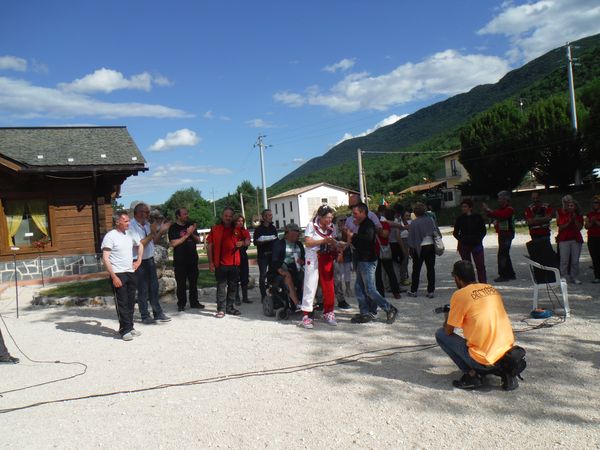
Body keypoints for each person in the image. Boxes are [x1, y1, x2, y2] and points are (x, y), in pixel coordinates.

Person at [435, 260, 516, 390]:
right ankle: (505, 371)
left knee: (440, 334)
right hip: (506, 351)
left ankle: (472, 374)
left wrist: (448, 315)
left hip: (484, 358)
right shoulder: (490, 288)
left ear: (457, 278)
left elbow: (448, 331)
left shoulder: (459, 295)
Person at [347, 203, 398, 325]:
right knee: (359, 288)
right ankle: (366, 313)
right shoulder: (362, 224)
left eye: (355, 213)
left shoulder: (369, 224)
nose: (354, 216)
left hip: (368, 261)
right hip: (362, 260)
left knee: (370, 289)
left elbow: (368, 239)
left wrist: (353, 235)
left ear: (363, 212)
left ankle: (389, 308)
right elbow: (359, 243)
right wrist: (350, 239)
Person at [101, 211, 143, 341]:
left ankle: (129, 327)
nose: (128, 223)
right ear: (117, 222)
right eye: (126, 221)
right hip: (118, 273)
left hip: (130, 272)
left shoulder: (130, 234)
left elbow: (140, 244)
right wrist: (114, 277)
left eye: (128, 221)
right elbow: (105, 258)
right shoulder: (110, 236)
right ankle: (125, 330)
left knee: (130, 302)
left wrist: (139, 261)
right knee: (122, 302)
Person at [299, 205, 341, 329]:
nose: (330, 219)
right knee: (310, 285)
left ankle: (328, 312)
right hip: (313, 257)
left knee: (329, 286)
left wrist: (337, 244)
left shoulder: (332, 227)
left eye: (331, 217)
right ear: (320, 217)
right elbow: (308, 242)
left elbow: (332, 242)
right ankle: (306, 315)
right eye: (327, 217)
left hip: (326, 256)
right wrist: (323, 241)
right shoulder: (311, 225)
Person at [130, 202, 171, 324]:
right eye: (147, 212)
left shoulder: (147, 225)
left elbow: (154, 241)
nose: (149, 215)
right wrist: (153, 233)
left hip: (149, 259)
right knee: (142, 289)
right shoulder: (131, 226)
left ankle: (157, 313)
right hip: (138, 261)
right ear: (139, 213)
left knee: (154, 287)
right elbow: (140, 244)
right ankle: (145, 315)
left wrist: (161, 231)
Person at [207, 207, 244, 317]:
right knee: (221, 287)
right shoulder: (215, 229)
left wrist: (243, 243)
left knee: (233, 287)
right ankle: (221, 309)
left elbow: (246, 240)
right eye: (226, 216)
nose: (228, 218)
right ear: (222, 216)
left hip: (234, 263)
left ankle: (230, 307)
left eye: (230, 216)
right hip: (221, 264)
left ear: (233, 217)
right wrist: (210, 262)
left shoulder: (238, 229)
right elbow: (209, 246)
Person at [168, 208, 203, 312]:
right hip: (180, 261)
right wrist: (187, 234)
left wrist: (191, 233)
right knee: (181, 284)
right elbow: (174, 243)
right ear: (178, 216)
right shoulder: (173, 228)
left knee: (193, 283)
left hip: (192, 260)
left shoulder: (190, 225)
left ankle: (194, 302)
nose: (187, 215)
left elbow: (198, 240)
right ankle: (181, 304)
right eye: (184, 214)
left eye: (187, 213)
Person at [407, 202, 439, 298]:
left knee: (416, 269)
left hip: (419, 247)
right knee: (430, 269)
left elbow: (411, 238)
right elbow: (436, 231)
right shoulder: (430, 220)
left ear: (415, 212)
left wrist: (410, 248)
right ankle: (431, 291)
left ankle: (414, 290)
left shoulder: (414, 223)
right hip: (430, 245)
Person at [483, 190, 516, 282]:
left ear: (505, 199)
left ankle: (503, 275)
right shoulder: (502, 209)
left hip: (507, 234)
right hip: (502, 234)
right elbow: (494, 214)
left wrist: (488, 210)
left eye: (500, 199)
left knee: (502, 255)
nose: (499, 201)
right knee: (505, 254)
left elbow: (500, 215)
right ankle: (510, 274)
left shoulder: (509, 209)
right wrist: (488, 212)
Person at [270, 222, 305, 308]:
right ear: (289, 232)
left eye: (298, 232)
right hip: (283, 268)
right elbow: (274, 260)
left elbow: (304, 257)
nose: (298, 234)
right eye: (296, 231)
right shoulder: (279, 244)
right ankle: (296, 303)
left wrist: (302, 261)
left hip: (297, 268)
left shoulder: (299, 244)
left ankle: (305, 300)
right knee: (287, 275)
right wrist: (280, 270)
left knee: (306, 275)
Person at [452, 198, 487, 283]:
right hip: (464, 245)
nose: (463, 208)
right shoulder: (460, 218)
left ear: (470, 207)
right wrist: (461, 240)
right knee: (467, 267)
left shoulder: (477, 217)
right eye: (462, 207)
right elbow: (455, 233)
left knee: (480, 265)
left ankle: (483, 282)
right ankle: (470, 283)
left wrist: (479, 239)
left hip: (476, 244)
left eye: (465, 206)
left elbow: (483, 230)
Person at [556, 195, 583, 284]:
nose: (570, 206)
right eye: (568, 204)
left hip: (576, 239)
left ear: (575, 206)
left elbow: (580, 227)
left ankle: (574, 276)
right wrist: (569, 221)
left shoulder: (578, 215)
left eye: (571, 205)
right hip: (564, 239)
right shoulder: (561, 213)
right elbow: (561, 227)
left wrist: (575, 220)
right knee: (564, 260)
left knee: (575, 260)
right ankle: (563, 276)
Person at [375, 208, 402, 299]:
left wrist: (376, 228)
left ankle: (395, 291)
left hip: (383, 250)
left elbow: (385, 235)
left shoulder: (384, 224)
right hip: (375, 251)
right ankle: (381, 293)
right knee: (378, 274)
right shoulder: (375, 225)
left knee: (390, 272)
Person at [253, 209, 278, 303]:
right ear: (264, 217)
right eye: (268, 215)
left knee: (273, 274)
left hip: (272, 255)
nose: (270, 217)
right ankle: (263, 295)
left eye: (271, 215)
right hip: (263, 255)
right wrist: (264, 241)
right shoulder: (258, 229)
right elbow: (255, 242)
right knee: (263, 275)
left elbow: (276, 239)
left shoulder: (273, 228)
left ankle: (273, 293)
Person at [233, 214, 252, 305]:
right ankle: (236, 298)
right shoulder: (232, 231)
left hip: (243, 255)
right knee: (236, 277)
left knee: (245, 276)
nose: (240, 223)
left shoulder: (245, 231)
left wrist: (243, 243)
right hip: (234, 255)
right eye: (238, 221)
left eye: (242, 221)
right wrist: (243, 242)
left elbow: (248, 242)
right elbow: (235, 243)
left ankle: (245, 297)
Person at [585, 195, 600, 283]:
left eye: (596, 203)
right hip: (592, 238)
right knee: (595, 257)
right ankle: (597, 276)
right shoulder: (589, 214)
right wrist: (591, 221)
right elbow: (586, 226)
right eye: (594, 203)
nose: (595, 204)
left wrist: (596, 221)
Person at [398, 210, 412, 285]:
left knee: (406, 260)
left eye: (409, 215)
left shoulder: (410, 222)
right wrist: (405, 227)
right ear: (403, 216)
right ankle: (403, 278)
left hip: (409, 242)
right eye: (406, 216)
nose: (408, 217)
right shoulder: (399, 223)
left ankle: (405, 276)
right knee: (404, 260)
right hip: (402, 242)